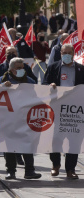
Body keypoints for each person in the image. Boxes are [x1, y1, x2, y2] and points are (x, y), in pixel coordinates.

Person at [0, 57, 41, 180]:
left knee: (27, 144)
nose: (21, 70)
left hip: (25, 119)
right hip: (7, 119)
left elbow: (37, 98)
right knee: (9, 146)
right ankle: (11, 171)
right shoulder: (1, 80)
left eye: (23, 68)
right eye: (18, 68)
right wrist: (2, 87)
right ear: (11, 69)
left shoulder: (30, 81)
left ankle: (29, 171)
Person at [42, 44, 84, 179]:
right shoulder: (53, 67)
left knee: (74, 140)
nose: (66, 55)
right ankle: (55, 165)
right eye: (64, 52)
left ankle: (70, 169)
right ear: (60, 53)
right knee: (55, 138)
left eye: (69, 53)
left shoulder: (81, 69)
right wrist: (50, 86)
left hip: (75, 111)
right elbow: (43, 85)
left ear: (73, 53)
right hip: (57, 109)